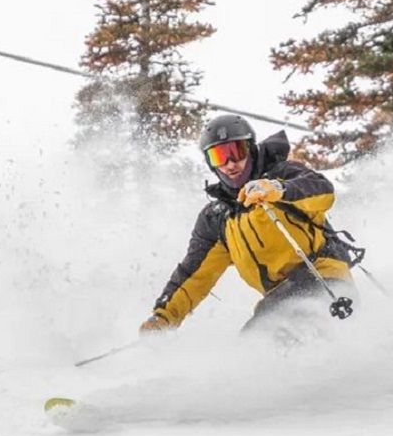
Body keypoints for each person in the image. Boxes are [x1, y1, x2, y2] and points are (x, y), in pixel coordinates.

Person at [139, 114, 353, 335]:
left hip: (324, 279)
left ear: (250, 150)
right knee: (253, 341)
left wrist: (278, 190)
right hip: (279, 297)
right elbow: (194, 275)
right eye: (219, 157)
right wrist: (164, 317)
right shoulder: (218, 219)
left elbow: (322, 191)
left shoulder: (283, 174)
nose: (230, 164)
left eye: (236, 152)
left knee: (277, 334)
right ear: (211, 164)